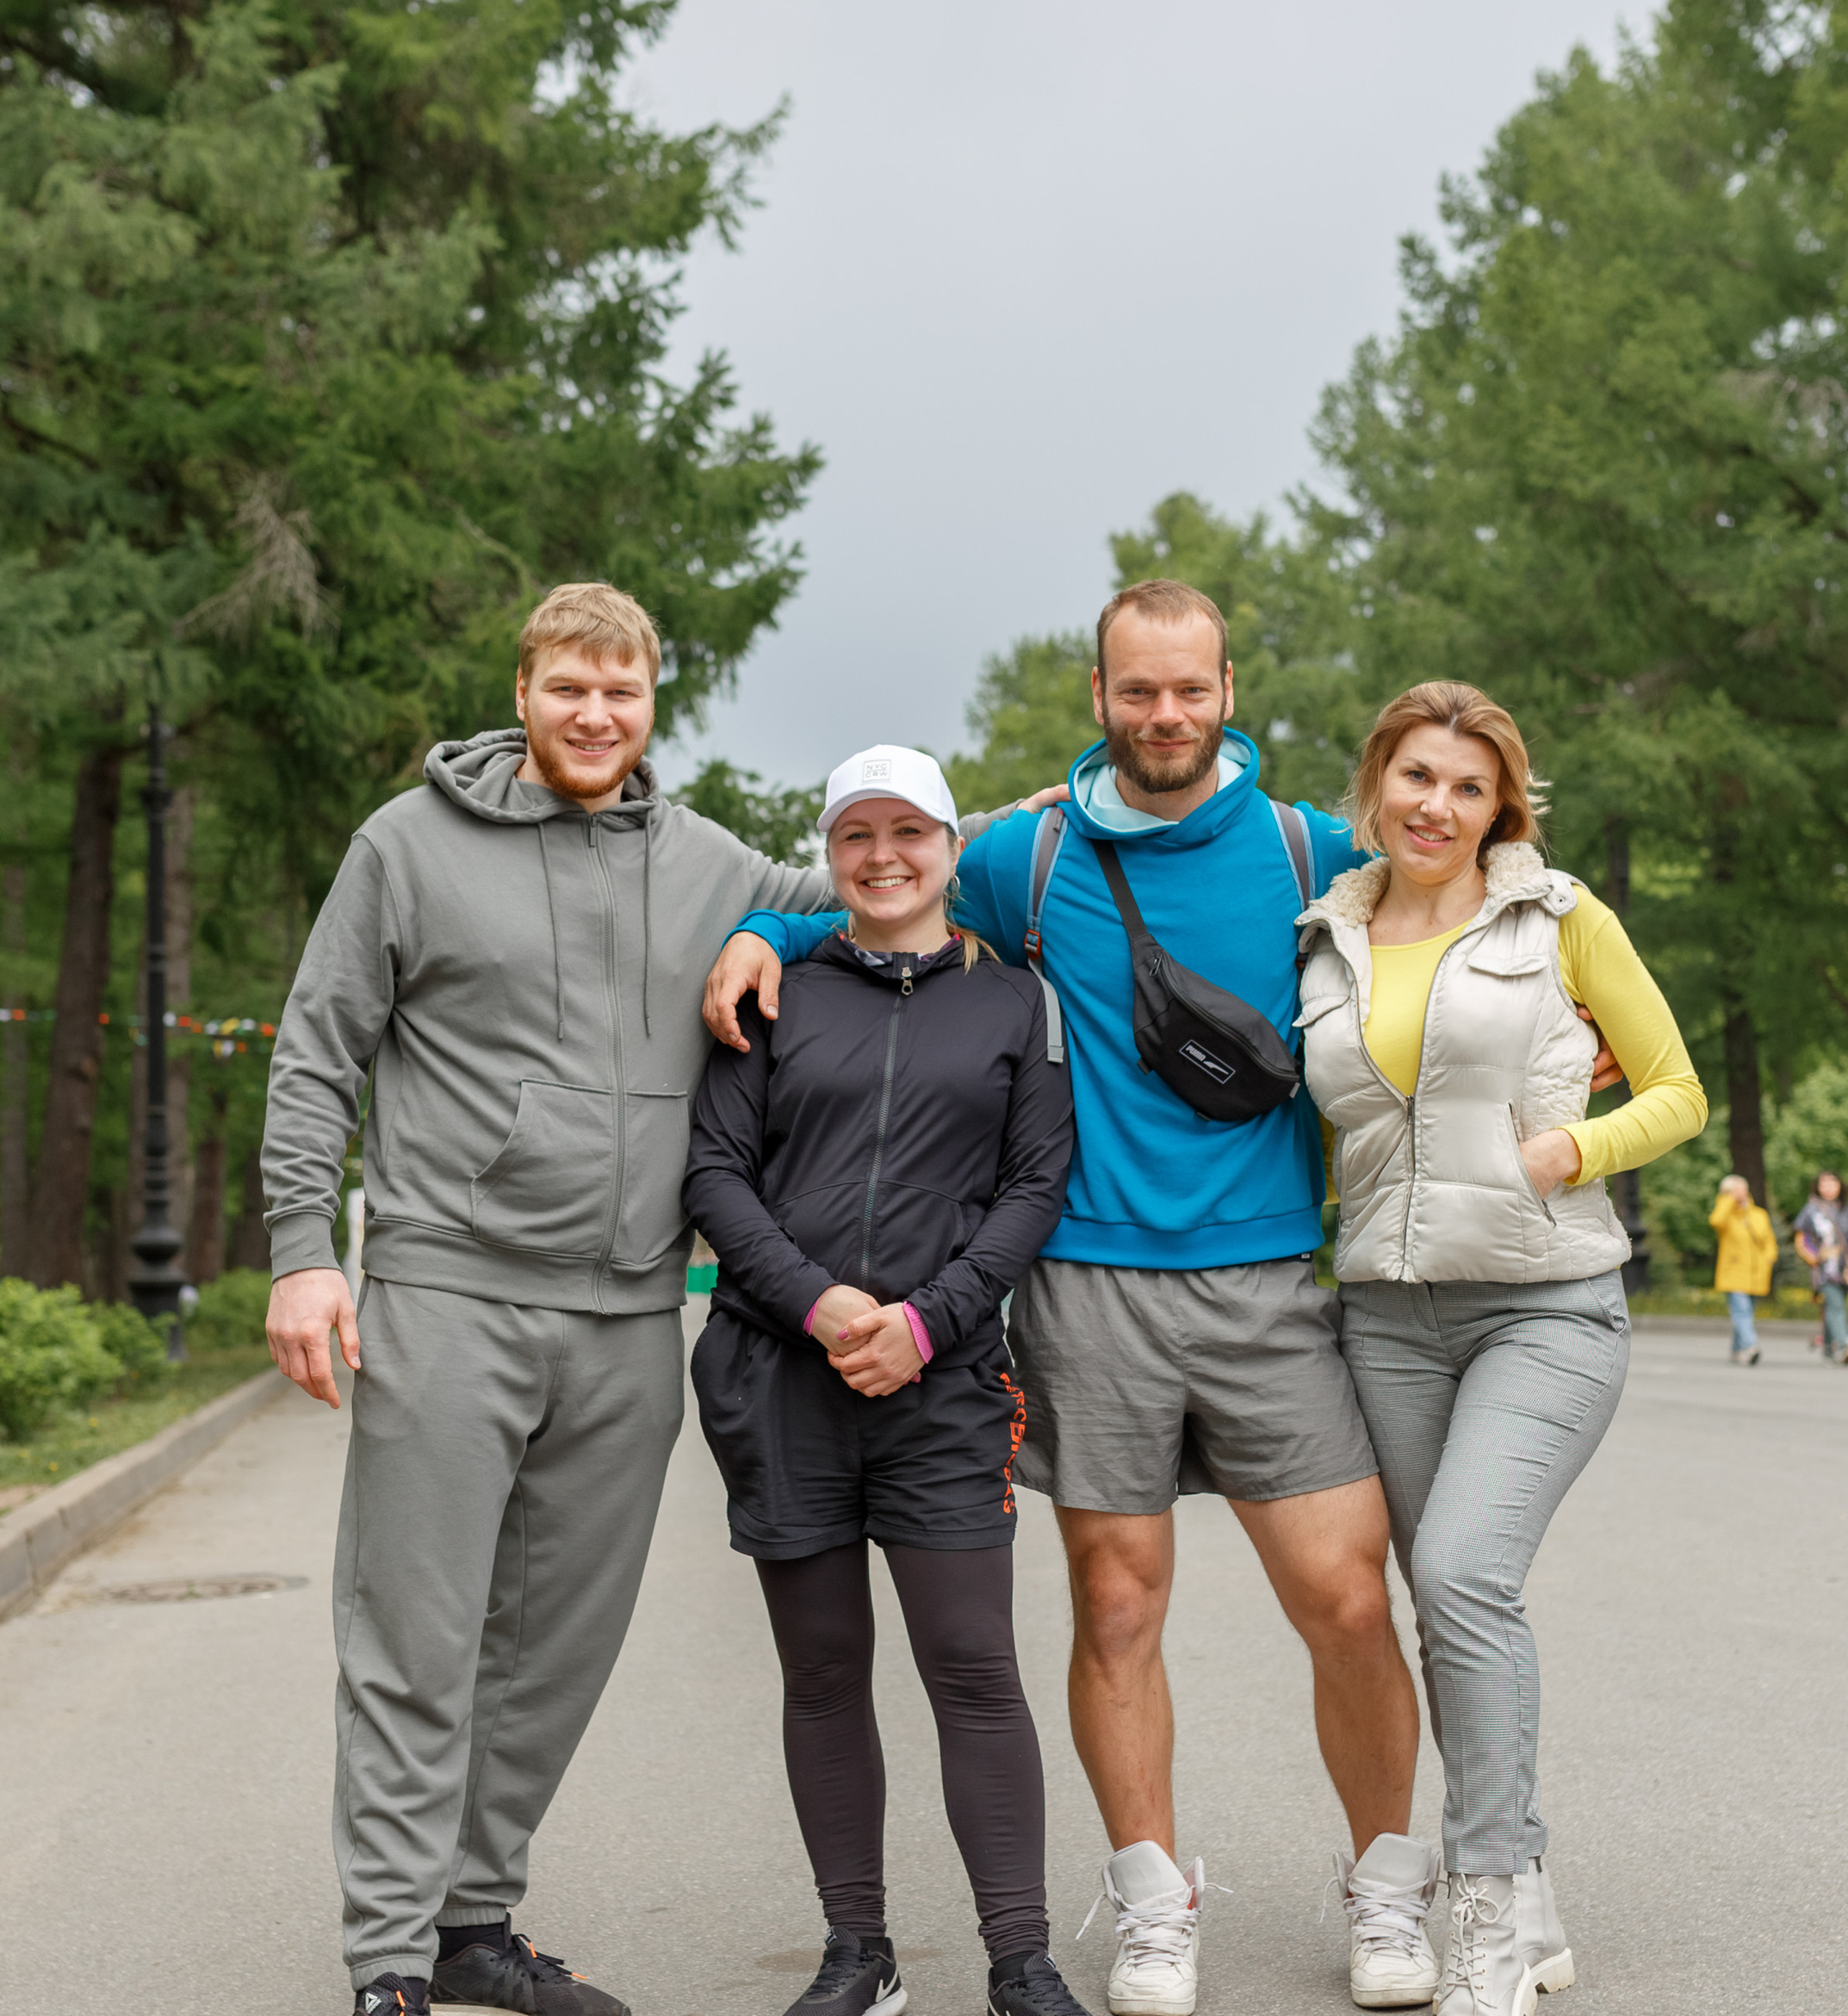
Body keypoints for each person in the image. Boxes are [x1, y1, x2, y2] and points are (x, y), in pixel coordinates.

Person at [709, 580, 1448, 2016]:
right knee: (1117, 1605)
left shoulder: (1317, 846)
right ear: (1097, 699)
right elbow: (880, 894)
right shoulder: (1029, 854)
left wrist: (1580, 1025)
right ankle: (1156, 1902)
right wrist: (760, 931)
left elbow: (1467, 902)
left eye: (1189, 689)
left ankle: (1385, 1886)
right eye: (1136, 692)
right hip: (1088, 1285)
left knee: (1350, 1599)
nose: (1163, 716)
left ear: (1231, 690)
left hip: (1267, 1280)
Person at [259, 582, 837, 2016]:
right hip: (453, 1291)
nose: (596, 716)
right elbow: (316, 1048)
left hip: (634, 1313)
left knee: (558, 1643)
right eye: (570, 688)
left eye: (623, 692)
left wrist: (800, 930)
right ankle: (389, 1955)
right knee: (417, 1630)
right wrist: (299, 1250)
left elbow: (882, 890)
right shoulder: (406, 847)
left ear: (654, 704)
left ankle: (473, 1918)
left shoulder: (706, 862)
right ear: (522, 692)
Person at [1297, 679, 1708, 2016]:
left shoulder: (1560, 918)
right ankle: (1521, 1891)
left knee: (1467, 1573)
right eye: (1419, 777)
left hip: (1545, 1303)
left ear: (1501, 807)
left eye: (1470, 787)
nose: (1440, 805)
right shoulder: (1326, 939)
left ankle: (1485, 1896)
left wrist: (1570, 1149)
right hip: (1387, 1317)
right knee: (1440, 1600)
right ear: (1378, 785)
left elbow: (1677, 1089)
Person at [684, 744, 1086, 2016]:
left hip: (948, 1379)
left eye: (910, 831)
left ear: (951, 848)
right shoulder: (772, 990)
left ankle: (1019, 1962)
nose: (885, 856)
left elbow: (1035, 1186)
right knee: (821, 1667)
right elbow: (714, 1174)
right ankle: (858, 1952)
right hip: (777, 1373)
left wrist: (927, 1321)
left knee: (972, 1664)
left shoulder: (1017, 1000)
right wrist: (817, 1303)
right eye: (857, 834)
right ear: (832, 853)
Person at [1794, 1171, 1848, 1366]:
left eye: (1833, 1183)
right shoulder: (1811, 1210)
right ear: (1817, 1187)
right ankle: (1844, 1344)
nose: (1829, 1187)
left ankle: (1827, 1349)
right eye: (1824, 1183)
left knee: (1835, 1305)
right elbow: (1801, 1239)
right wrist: (1816, 1256)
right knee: (1835, 1305)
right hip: (1824, 1271)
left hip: (1846, 1269)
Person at [1708, 1175, 1777, 1363]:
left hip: (1757, 1273)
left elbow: (1769, 1241)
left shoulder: (1758, 1214)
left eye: (1743, 1188)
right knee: (1741, 1311)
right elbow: (1716, 1221)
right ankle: (1751, 1346)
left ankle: (1736, 1349)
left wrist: (1769, 1258)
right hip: (1734, 1272)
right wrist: (1729, 1199)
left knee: (1747, 1313)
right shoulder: (1726, 1214)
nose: (1741, 1192)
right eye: (1736, 1189)